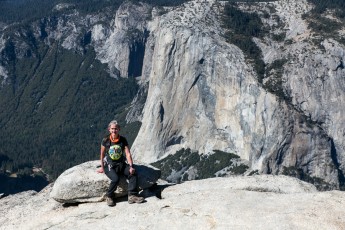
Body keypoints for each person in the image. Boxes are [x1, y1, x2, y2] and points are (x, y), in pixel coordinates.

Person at [97, 120, 144, 206]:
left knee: (133, 174)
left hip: (121, 164)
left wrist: (131, 166)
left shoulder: (123, 140)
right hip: (110, 165)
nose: (114, 131)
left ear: (119, 129)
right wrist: (103, 168)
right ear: (109, 129)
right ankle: (109, 196)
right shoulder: (105, 140)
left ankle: (132, 196)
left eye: (116, 129)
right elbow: (102, 154)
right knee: (115, 179)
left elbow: (128, 153)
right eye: (112, 129)